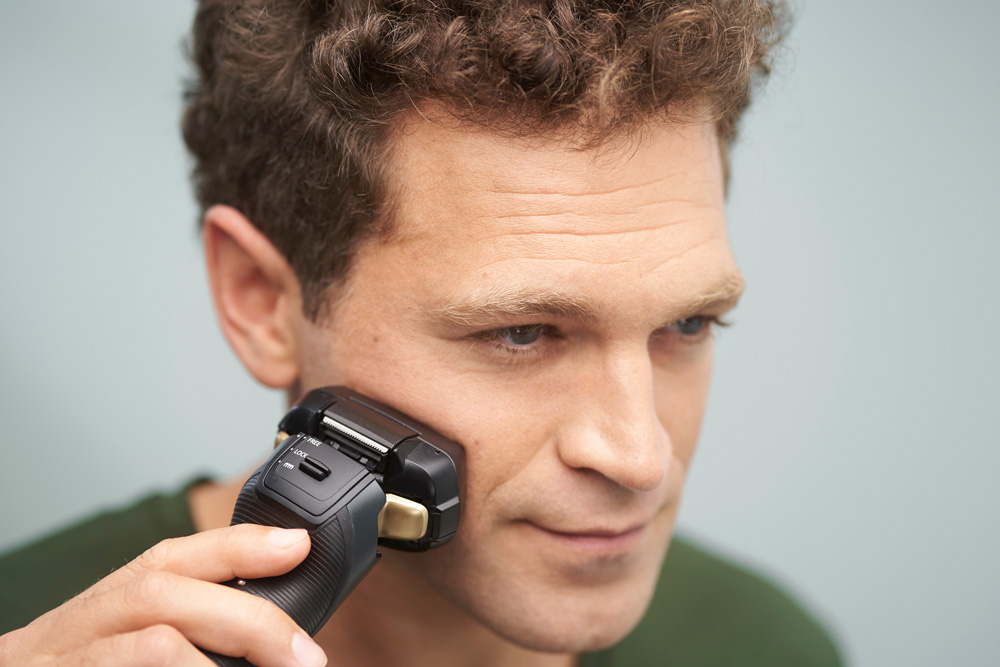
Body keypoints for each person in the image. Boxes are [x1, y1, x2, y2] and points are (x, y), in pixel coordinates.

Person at [0, 1, 844, 665]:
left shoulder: (764, 645)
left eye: (687, 323)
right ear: (262, 301)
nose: (640, 459)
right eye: (522, 332)